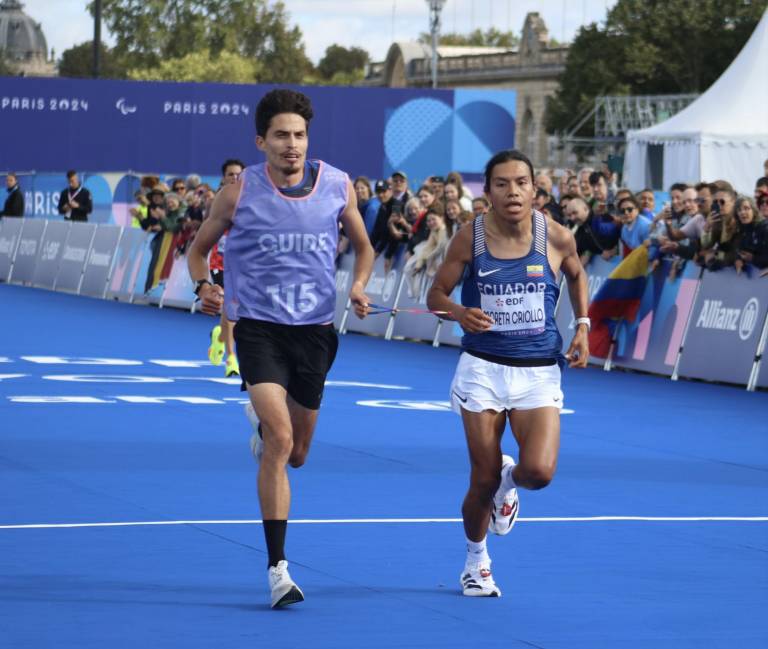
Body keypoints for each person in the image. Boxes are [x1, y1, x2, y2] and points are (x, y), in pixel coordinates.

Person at [187, 88, 374, 608]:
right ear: (261, 141)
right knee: (280, 441)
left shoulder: (337, 185)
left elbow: (364, 246)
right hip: (259, 329)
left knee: (299, 454)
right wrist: (205, 288)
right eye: (281, 136)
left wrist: (358, 286)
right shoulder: (238, 190)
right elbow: (199, 251)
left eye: (299, 135)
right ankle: (278, 569)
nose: (292, 145)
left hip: (314, 332)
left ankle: (266, 428)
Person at [427, 149, 589, 597]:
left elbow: (576, 275)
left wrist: (582, 326)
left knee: (538, 471)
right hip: (482, 368)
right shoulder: (469, 238)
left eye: (521, 183)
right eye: (502, 184)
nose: (512, 191)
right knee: (480, 478)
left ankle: (509, 481)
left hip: (538, 371)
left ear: (535, 189)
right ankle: (476, 563)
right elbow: (435, 294)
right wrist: (460, 312)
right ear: (489, 191)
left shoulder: (555, 237)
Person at [207, 158, 246, 378]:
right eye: (230, 174)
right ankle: (232, 359)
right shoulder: (216, 201)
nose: (234, 178)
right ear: (223, 177)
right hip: (219, 263)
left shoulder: (251, 199)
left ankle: (220, 337)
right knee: (229, 308)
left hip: (242, 264)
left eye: (238, 174)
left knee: (231, 311)